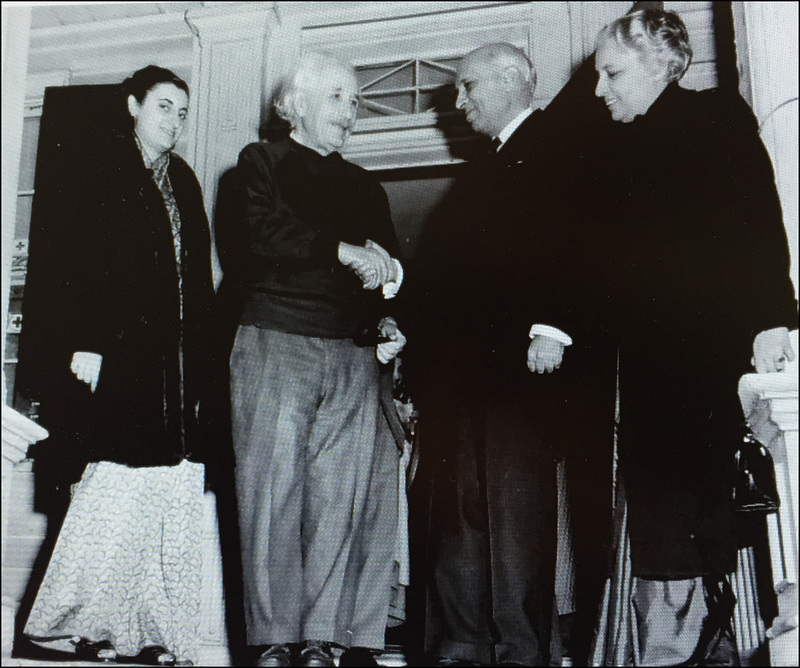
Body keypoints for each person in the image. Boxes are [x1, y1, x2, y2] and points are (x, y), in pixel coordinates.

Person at [591, 9, 797, 666]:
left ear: (659, 61)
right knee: (661, 515)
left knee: (716, 509)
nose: (600, 89)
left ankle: (721, 644)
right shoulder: (614, 152)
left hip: (710, 361)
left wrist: (772, 320)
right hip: (648, 370)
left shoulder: (717, 119)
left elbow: (758, 223)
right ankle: (675, 648)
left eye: (611, 72)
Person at [404, 43, 615, 666]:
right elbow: (447, 275)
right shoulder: (483, 170)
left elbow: (584, 237)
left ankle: (523, 651)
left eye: (468, 87)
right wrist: (397, 297)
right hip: (468, 374)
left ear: (511, 80)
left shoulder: (561, 142)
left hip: (525, 367)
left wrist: (555, 325)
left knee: (515, 515)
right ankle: (463, 643)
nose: (459, 101)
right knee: (463, 510)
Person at [19, 65, 217, 666]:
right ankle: (77, 625)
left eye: (183, 113)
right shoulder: (98, 168)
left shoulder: (182, 179)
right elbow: (74, 264)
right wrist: (85, 340)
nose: (175, 122)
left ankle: (149, 632)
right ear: (133, 106)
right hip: (119, 356)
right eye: (163, 107)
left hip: (176, 365)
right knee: (115, 484)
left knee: (166, 488)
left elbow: (197, 277)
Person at [224, 51, 406, 668]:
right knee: (271, 495)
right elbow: (258, 235)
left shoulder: (365, 185)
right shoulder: (259, 163)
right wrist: (342, 250)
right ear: (295, 105)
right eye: (336, 97)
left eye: (355, 101)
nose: (349, 112)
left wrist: (390, 309)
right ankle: (275, 639)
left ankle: (321, 641)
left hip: (353, 354)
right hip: (277, 339)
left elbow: (387, 266)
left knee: (337, 500)